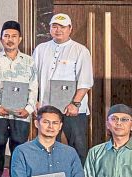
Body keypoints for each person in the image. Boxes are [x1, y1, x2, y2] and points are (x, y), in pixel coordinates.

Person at [0, 21, 37, 177]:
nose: (10, 39)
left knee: (19, 146)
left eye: (14, 36)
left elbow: (33, 87)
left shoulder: (29, 61)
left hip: (21, 112)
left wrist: (28, 109)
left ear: (20, 39)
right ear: (1, 39)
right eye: (6, 36)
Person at [33, 13, 93, 160]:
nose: (58, 30)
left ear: (70, 29)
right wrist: (34, 100)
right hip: (47, 108)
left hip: (73, 109)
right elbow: (32, 77)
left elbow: (85, 81)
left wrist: (75, 103)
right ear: (50, 29)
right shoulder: (41, 49)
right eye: (54, 26)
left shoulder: (81, 50)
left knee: (78, 146)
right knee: (47, 145)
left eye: (62, 27)